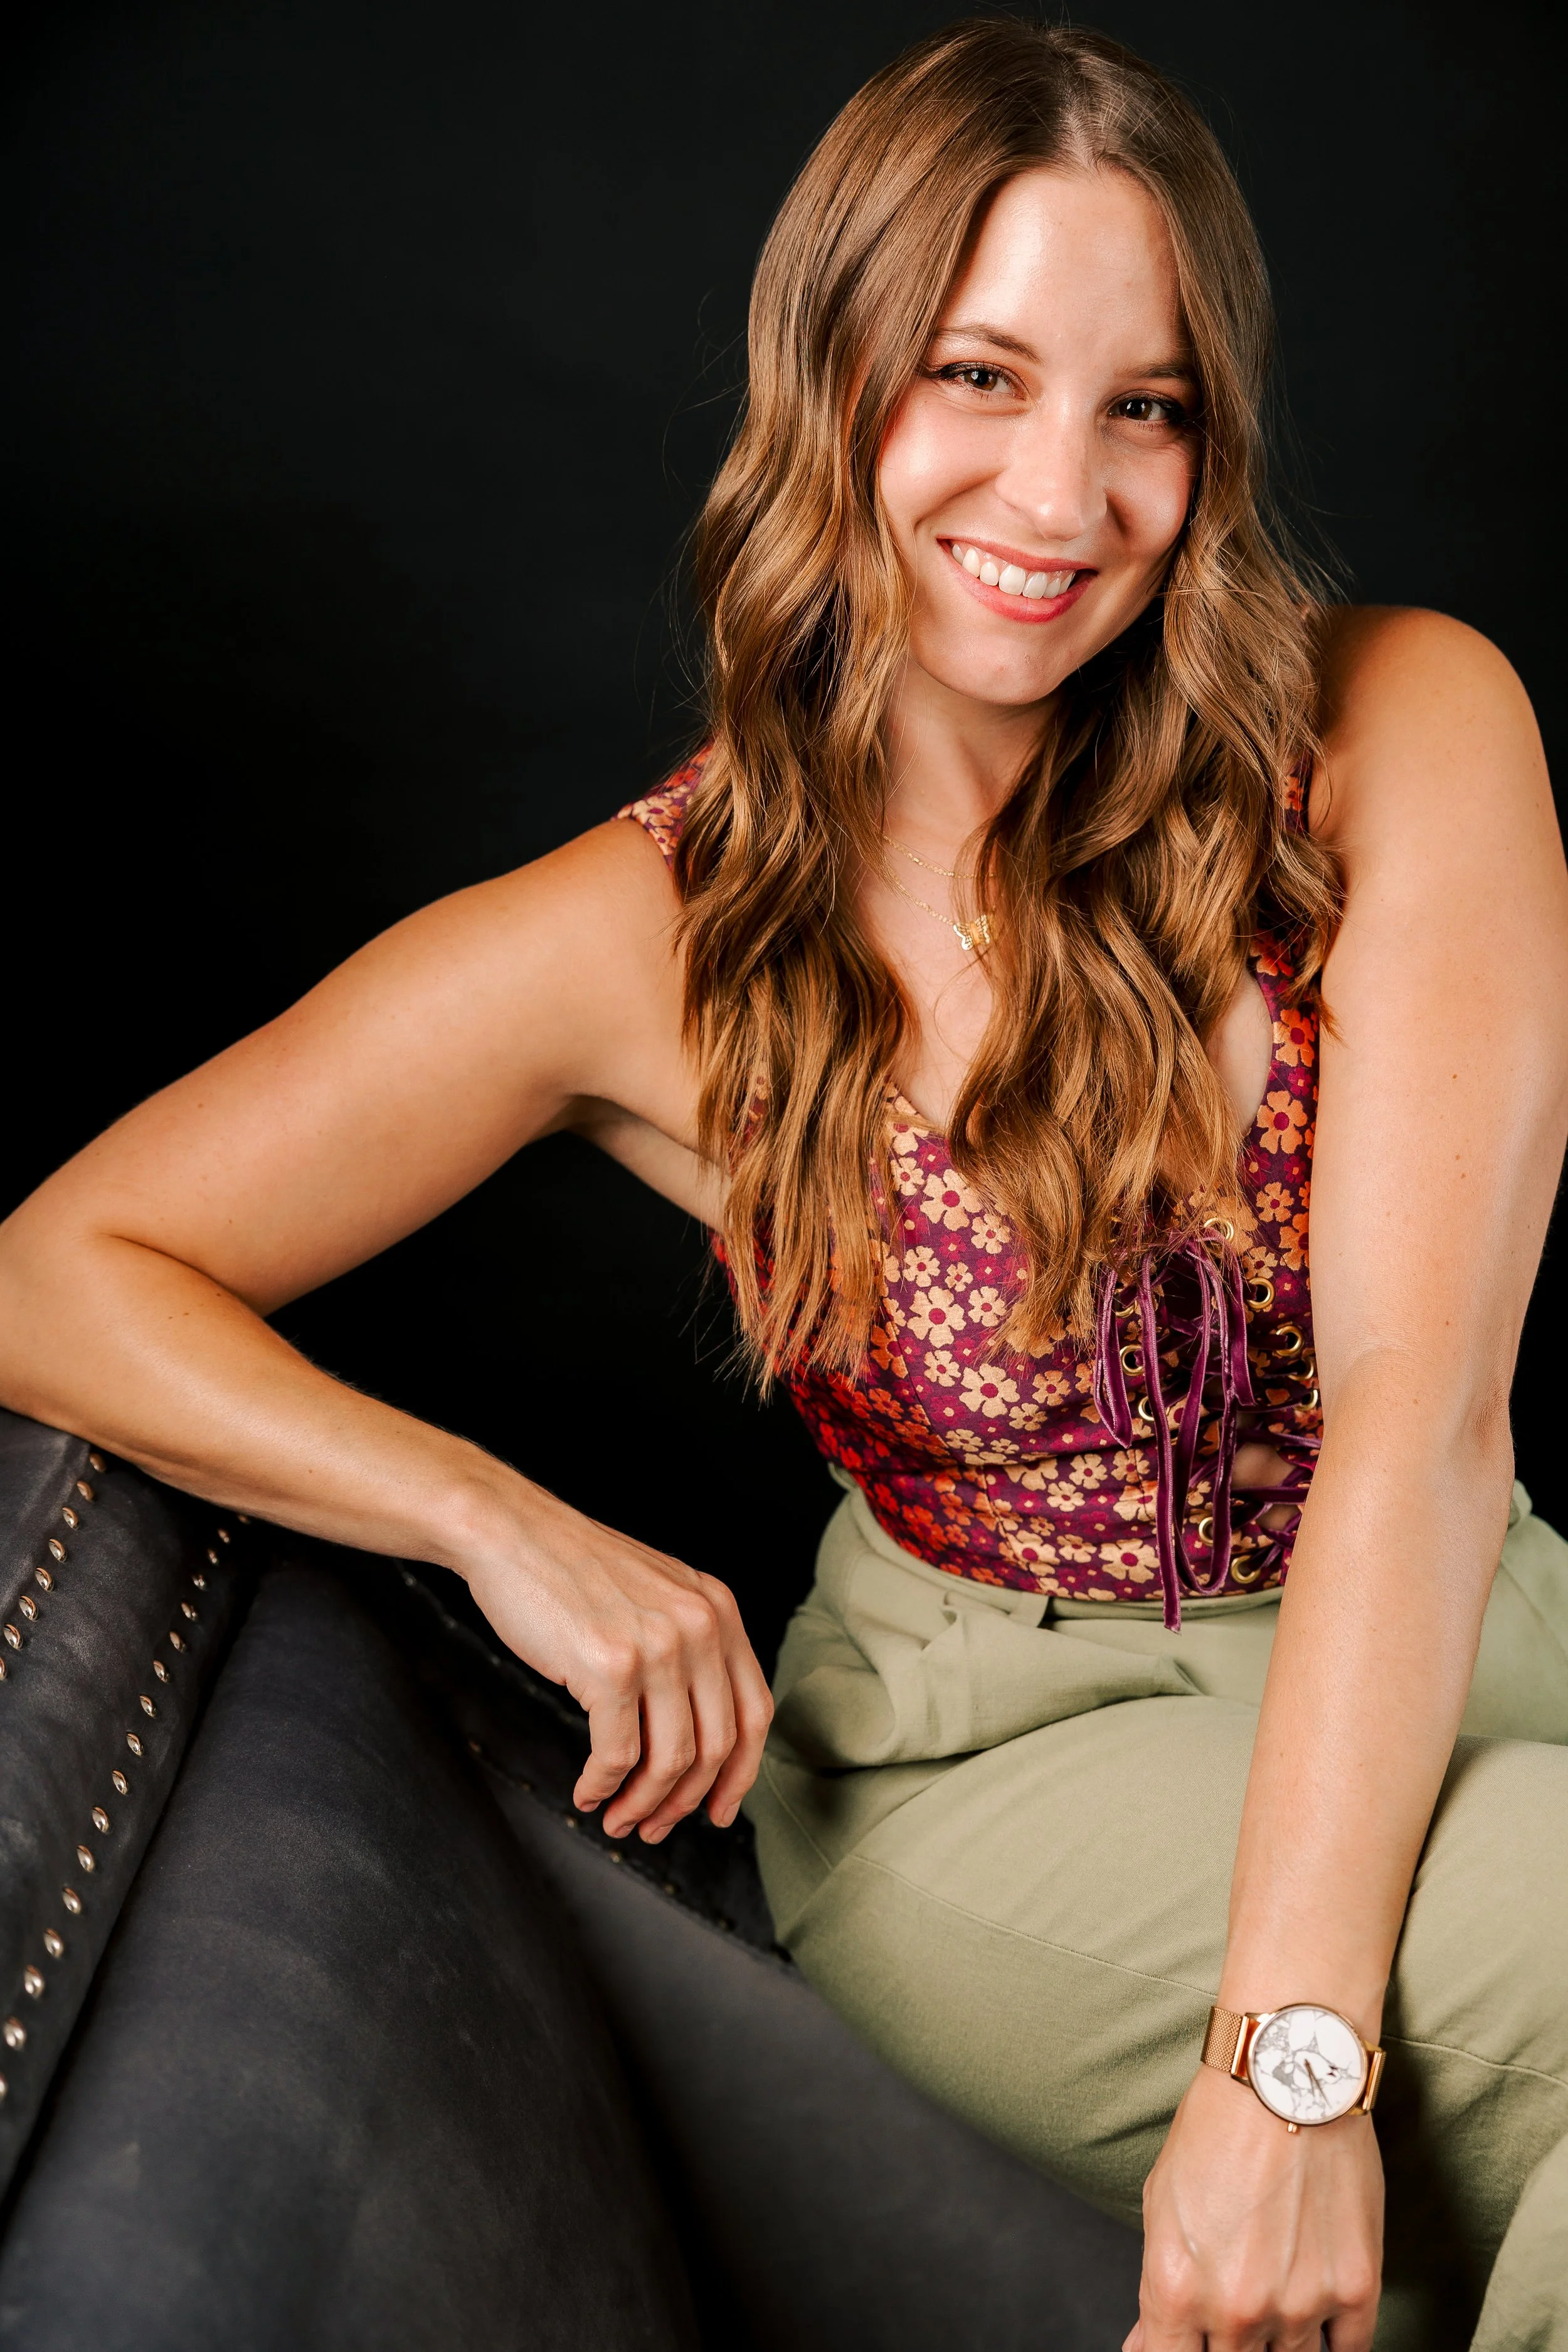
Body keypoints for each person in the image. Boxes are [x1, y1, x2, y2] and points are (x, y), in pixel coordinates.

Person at [2, 18, 1565, 2348]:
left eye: (1143, 404)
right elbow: (57, 1266)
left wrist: (1282, 2063)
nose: (1061, 492)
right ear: (829, 375)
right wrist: (495, 1523)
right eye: (975, 374)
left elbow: (1419, 1420)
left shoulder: (1402, 726)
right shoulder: (651, 931)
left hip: (1468, 1643)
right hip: (992, 1762)